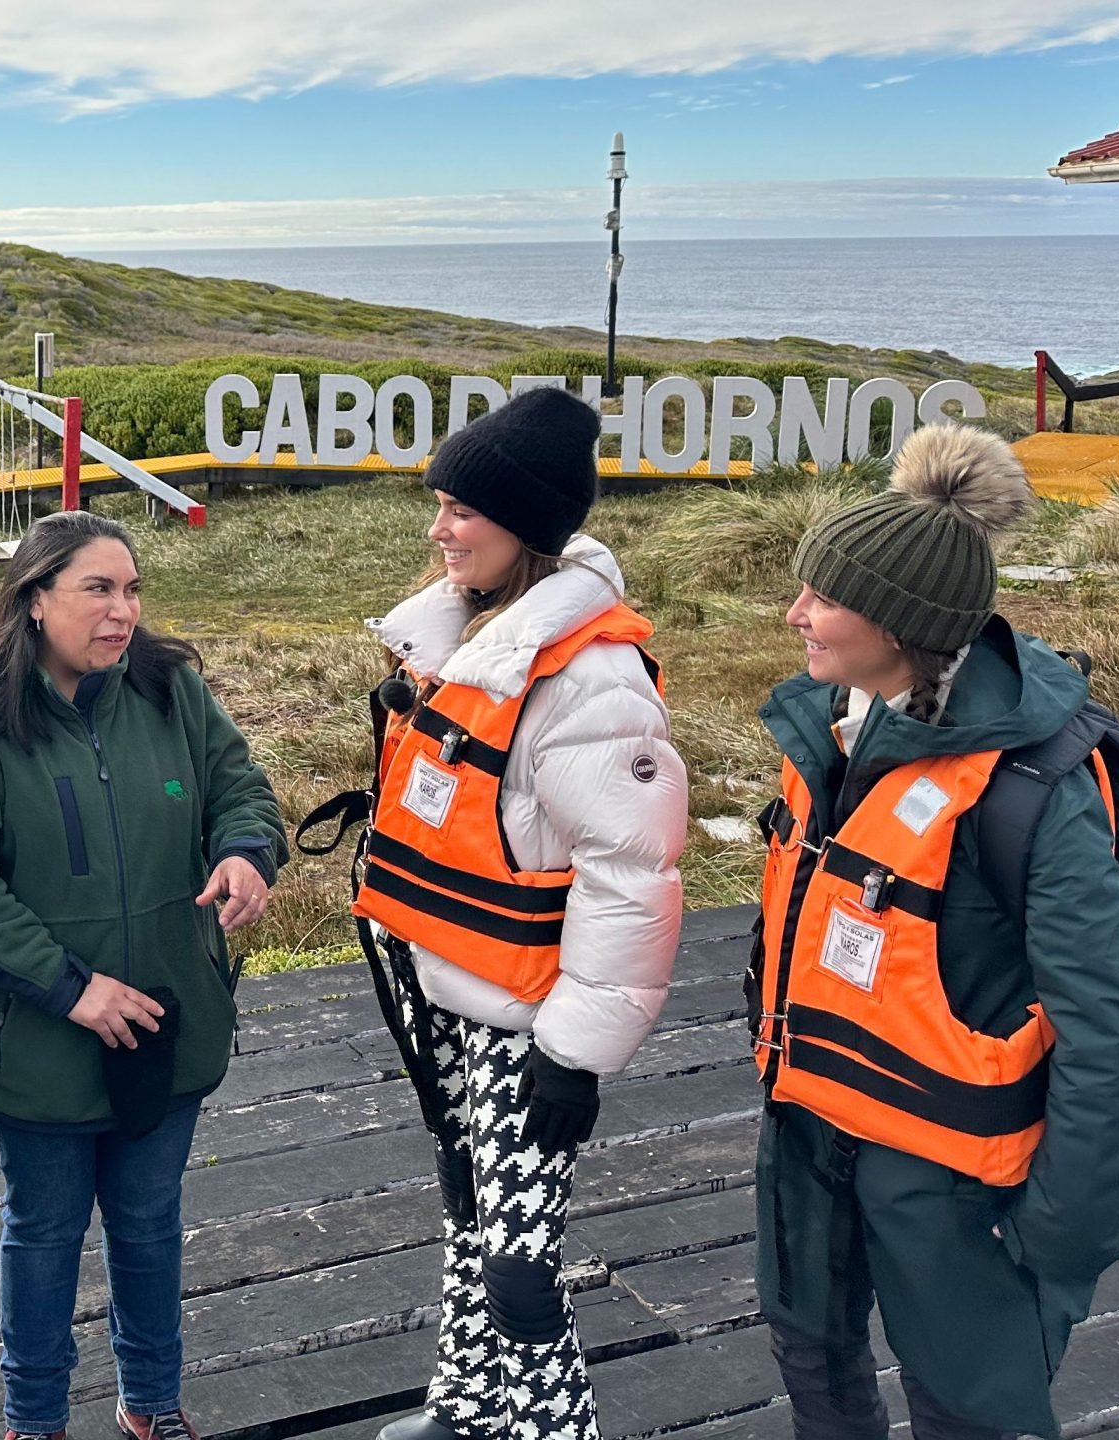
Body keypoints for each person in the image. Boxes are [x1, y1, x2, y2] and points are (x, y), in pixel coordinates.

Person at [748, 425, 1119, 1440]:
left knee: (969, 1410)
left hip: (955, 1187)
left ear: (902, 626)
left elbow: (1108, 1037)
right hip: (808, 1137)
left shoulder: (1033, 793)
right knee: (813, 1367)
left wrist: (1059, 1244)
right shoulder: (831, 732)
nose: (794, 612)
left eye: (823, 597)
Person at [0, 508, 286, 1440]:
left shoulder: (169, 691)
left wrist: (244, 851)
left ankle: (152, 1404)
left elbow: (239, 783)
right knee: (42, 1237)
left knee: (151, 1225)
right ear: (35, 601)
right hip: (39, 1043)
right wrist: (73, 987)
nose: (123, 611)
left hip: (171, 1019)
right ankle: (33, 1421)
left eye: (132, 589)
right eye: (98, 589)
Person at [357, 387, 688, 1440]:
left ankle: (553, 1428)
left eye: (462, 510)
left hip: (526, 1016)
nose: (437, 529)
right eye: (439, 503)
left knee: (518, 1261)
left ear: (528, 528)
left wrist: (575, 1052)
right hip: (445, 980)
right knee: (468, 1209)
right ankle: (464, 1410)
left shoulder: (592, 680)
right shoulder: (466, 644)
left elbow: (630, 873)